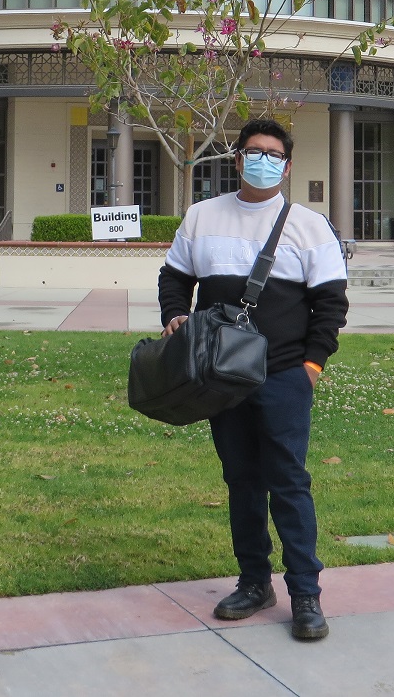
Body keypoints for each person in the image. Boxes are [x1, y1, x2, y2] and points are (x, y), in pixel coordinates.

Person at [157, 117, 348, 641]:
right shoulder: (202, 216)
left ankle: (305, 594)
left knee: (288, 482)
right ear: (237, 158)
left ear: (286, 167)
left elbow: (331, 303)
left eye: (273, 153)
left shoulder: (309, 226)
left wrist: (312, 365)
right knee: (241, 481)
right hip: (220, 377)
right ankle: (253, 581)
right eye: (253, 151)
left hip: (284, 375)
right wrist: (174, 313)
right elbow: (175, 275)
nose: (263, 159)